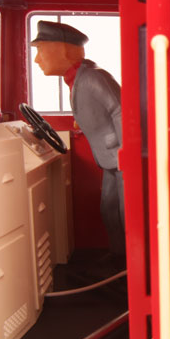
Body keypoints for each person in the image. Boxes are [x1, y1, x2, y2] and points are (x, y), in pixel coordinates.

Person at [30, 20, 125, 262]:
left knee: (127, 213)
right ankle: (118, 256)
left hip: (121, 159)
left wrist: (127, 151)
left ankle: (130, 263)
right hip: (109, 160)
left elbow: (121, 111)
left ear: (63, 51)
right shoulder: (77, 81)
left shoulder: (94, 78)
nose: (37, 60)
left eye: (41, 51)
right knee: (109, 211)